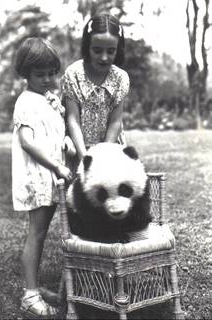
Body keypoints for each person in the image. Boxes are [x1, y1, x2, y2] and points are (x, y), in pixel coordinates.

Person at [12, 37, 72, 318]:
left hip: (49, 175)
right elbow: (28, 142)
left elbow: (52, 134)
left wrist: (67, 143)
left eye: (51, 72)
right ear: (25, 73)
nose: (48, 79)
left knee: (42, 232)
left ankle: (35, 286)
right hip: (38, 176)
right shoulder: (26, 102)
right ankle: (30, 294)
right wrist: (57, 167)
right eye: (40, 74)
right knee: (36, 234)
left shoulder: (46, 99)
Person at [61, 13, 130, 165]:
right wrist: (85, 159)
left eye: (111, 51)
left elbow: (115, 122)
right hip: (77, 148)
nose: (104, 57)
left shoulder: (120, 78)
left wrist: (103, 156)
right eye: (97, 51)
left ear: (118, 49)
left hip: (109, 148)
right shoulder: (73, 74)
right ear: (87, 47)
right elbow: (73, 120)